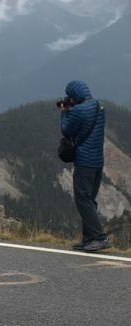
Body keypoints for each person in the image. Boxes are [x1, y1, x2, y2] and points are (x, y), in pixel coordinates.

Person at [60, 80, 110, 252]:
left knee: (82, 200)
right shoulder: (99, 106)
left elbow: (66, 131)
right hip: (98, 161)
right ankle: (88, 238)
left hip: (84, 162)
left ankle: (100, 237)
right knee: (90, 200)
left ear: (74, 96)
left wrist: (64, 112)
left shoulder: (77, 111)